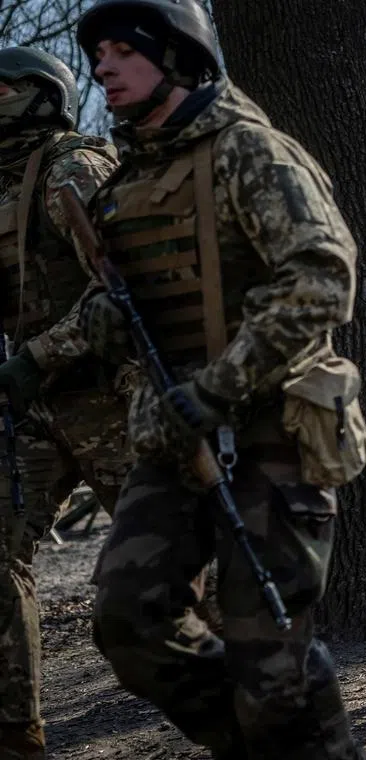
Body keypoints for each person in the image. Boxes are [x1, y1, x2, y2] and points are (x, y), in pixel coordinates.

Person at [75, 1, 366, 756]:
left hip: (274, 426)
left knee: (270, 665)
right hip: (174, 436)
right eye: (97, 54)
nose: (102, 66)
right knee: (128, 619)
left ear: (177, 57)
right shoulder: (125, 183)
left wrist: (216, 388)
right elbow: (123, 302)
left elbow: (321, 278)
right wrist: (102, 319)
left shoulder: (248, 150)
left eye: (121, 50)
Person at [0, 46, 127, 759]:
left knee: (171, 569)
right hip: (33, 410)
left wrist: (36, 358)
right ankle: (16, 736)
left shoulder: (72, 167)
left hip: (109, 398)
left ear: (42, 95)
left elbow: (121, 290)